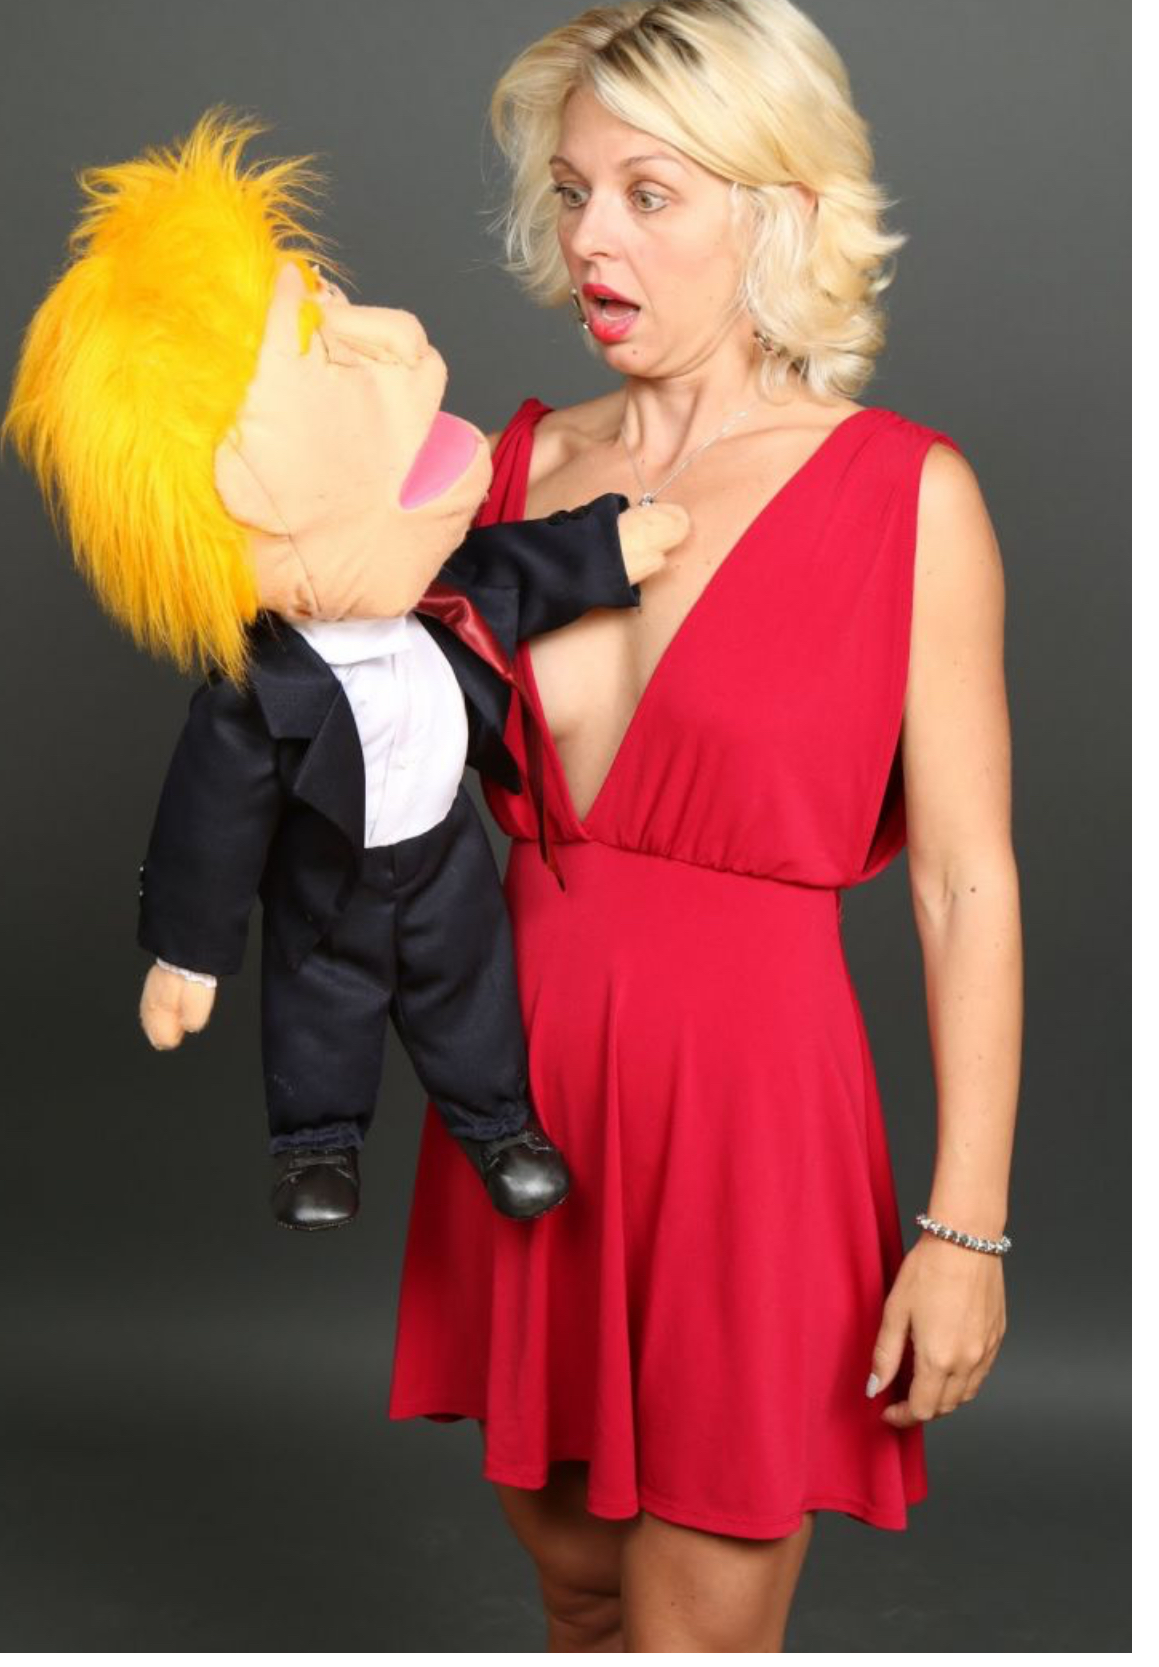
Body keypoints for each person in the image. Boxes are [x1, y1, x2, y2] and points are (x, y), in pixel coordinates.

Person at [388, 0, 1022, 1650]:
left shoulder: (905, 495)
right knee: (578, 1596)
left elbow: (964, 883)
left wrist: (962, 1228)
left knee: (691, 1633)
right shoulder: (504, 470)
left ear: (778, 211)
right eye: (571, 190)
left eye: (647, 194)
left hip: (746, 1129)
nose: (588, 236)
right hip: (519, 1113)